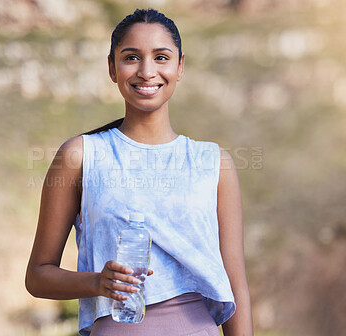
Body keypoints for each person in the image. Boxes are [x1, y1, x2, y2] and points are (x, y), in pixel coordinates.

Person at [25, 8, 253, 336]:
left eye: (161, 57)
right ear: (111, 67)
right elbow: (37, 276)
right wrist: (96, 282)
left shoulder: (213, 162)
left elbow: (235, 285)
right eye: (131, 57)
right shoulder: (80, 156)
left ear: (180, 66)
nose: (147, 71)